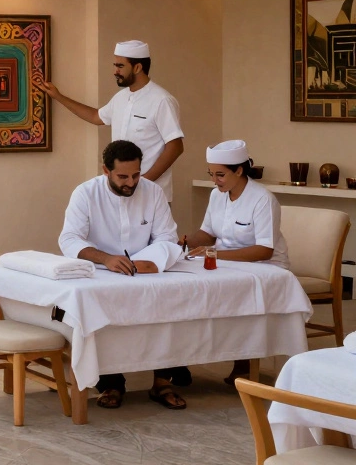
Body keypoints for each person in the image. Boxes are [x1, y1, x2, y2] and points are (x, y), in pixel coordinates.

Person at [59, 140, 187, 411]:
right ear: (106, 170)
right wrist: (105, 258)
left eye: (136, 175)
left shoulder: (152, 192)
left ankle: (162, 382)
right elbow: (69, 239)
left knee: (172, 307)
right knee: (102, 321)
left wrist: (147, 262)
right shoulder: (85, 193)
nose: (131, 182)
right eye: (123, 176)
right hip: (102, 274)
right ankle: (111, 384)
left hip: (147, 274)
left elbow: (167, 237)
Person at [182, 139, 289, 384]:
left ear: (239, 170)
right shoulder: (216, 195)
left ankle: (243, 362)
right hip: (226, 264)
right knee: (188, 286)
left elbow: (264, 250)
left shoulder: (262, 199)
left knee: (231, 291)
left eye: (220, 175)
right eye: (211, 174)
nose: (214, 180)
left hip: (266, 268)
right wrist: (184, 241)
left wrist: (214, 254)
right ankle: (182, 359)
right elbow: (207, 234)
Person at [39, 40, 185, 202]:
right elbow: (96, 117)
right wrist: (58, 97)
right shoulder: (120, 98)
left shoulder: (161, 100)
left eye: (120, 66)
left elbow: (175, 147)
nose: (115, 71)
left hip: (151, 196)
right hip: (119, 193)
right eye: (115, 65)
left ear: (137, 67)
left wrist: (142, 182)